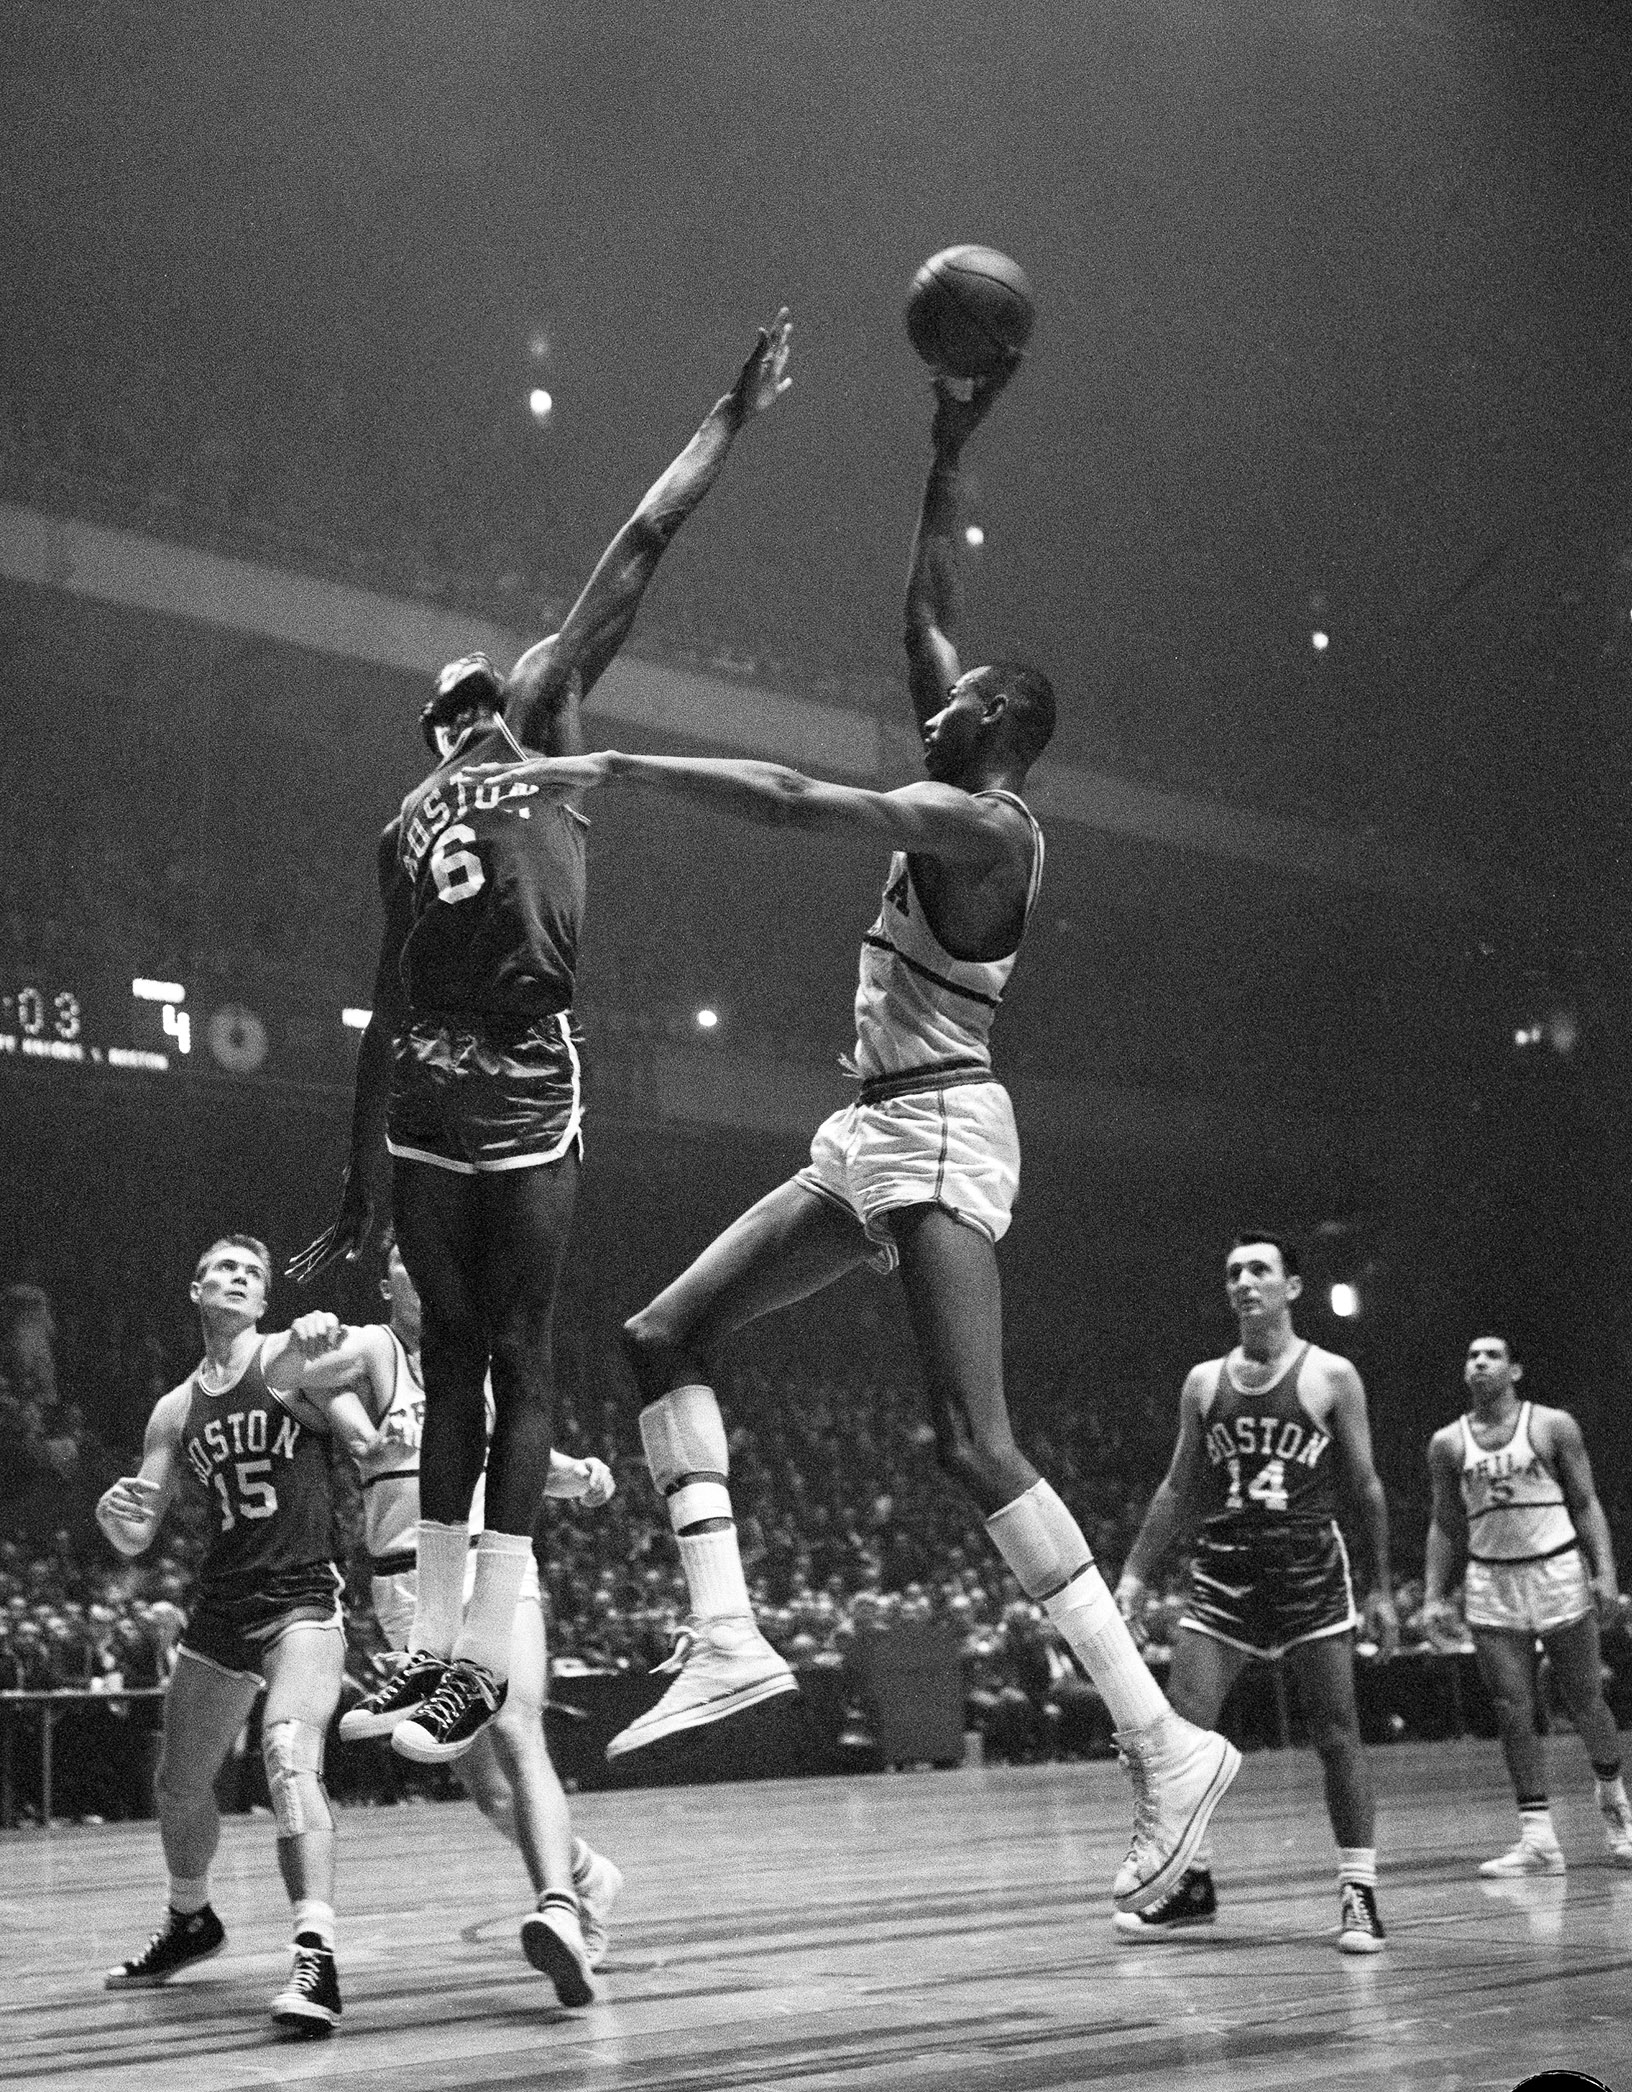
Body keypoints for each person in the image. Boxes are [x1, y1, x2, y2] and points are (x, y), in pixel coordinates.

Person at [479, 365, 1237, 1916]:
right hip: (868, 1132)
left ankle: (1161, 1740)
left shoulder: (987, 827)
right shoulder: (967, 750)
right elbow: (927, 612)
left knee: (971, 1442)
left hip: (947, 1129)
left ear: (997, 731)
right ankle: (728, 1632)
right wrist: (947, 441)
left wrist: (617, 764)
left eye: (953, 705)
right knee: (661, 1334)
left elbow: (780, 797)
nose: (928, 701)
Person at [291, 312, 795, 1766]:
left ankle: (428, 1655)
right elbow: (639, 541)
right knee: (524, 1355)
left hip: (425, 1091)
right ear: (495, 705)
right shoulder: (544, 719)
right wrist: (731, 410)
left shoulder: (401, 820)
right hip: (519, 1068)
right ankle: (484, 1667)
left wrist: (357, 1188)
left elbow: (382, 1009)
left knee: (452, 1361)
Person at [313, 1242, 624, 2004]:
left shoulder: (480, 1368)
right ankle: (587, 1872)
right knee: (485, 1790)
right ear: (386, 1281)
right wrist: (305, 1344)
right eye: (405, 1263)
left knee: (517, 1728)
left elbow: (524, 1458)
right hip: (407, 1592)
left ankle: (559, 1911)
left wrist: (579, 1474)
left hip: (490, 1564)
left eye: (432, 1263)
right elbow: (324, 1400)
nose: (422, 1273)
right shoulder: (368, 1352)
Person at [97, 1235, 376, 2039]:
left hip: (301, 1596)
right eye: (225, 1268)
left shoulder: (288, 1357)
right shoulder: (175, 1409)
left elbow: (343, 1371)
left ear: (262, 1303)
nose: (239, 1278)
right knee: (179, 1784)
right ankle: (192, 1919)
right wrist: (114, 1523)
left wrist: (326, 1335)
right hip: (221, 1600)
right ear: (197, 1290)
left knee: (289, 1755)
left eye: (252, 1274)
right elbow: (137, 1533)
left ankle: (316, 1954)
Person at [1113, 1232, 1399, 1952]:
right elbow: (1179, 1486)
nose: (1245, 1282)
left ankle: (1359, 1893)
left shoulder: (1334, 1375)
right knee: (1176, 1739)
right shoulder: (1204, 1381)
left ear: (1291, 1288)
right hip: (1225, 1570)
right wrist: (1136, 1574)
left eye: (1259, 1271)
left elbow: (1364, 1486)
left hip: (1308, 1566)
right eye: (1234, 1271)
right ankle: (1193, 1885)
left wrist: (1386, 1587)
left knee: (1336, 1734)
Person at [1421, 1332, 1631, 1874]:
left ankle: (1616, 1808)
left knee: (1586, 1700)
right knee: (1512, 1709)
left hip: (1557, 1568)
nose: (1479, 1363)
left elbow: (1585, 1502)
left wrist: (1605, 1572)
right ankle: (1538, 1838)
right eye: (1471, 1356)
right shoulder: (1447, 1442)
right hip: (1491, 1580)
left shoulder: (1552, 1425)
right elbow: (1445, 1525)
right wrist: (1432, 1594)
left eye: (1492, 1356)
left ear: (1515, 1370)